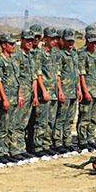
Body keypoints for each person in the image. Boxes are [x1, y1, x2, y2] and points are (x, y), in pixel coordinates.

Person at [0, 32, 23, 163]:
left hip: (14, 97)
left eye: (14, 44)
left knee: (13, 125)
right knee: (4, 126)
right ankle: (1, 152)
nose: (13, 46)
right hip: (6, 97)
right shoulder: (0, 61)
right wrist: (3, 98)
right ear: (4, 45)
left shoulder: (13, 60)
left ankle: (12, 150)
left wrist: (20, 94)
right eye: (11, 44)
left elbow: (17, 79)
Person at [76, 30, 96, 151]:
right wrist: (85, 91)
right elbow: (81, 74)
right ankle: (83, 140)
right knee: (85, 117)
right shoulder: (82, 54)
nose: (93, 45)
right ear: (86, 41)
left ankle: (91, 139)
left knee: (94, 117)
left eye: (95, 42)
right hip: (87, 90)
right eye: (91, 42)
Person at [33, 27, 60, 155]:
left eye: (56, 38)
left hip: (54, 92)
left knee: (51, 121)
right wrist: (43, 90)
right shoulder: (40, 53)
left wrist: (59, 90)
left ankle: (46, 144)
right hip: (45, 92)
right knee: (41, 121)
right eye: (52, 38)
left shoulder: (55, 53)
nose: (55, 41)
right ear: (46, 39)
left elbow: (57, 74)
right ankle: (38, 146)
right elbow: (38, 73)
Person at [54, 29, 81, 152]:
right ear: (63, 40)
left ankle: (67, 141)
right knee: (61, 118)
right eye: (68, 41)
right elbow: (58, 75)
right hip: (65, 91)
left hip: (74, 92)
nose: (70, 43)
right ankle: (58, 142)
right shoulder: (60, 55)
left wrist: (79, 90)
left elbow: (77, 74)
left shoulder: (75, 55)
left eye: (72, 41)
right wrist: (60, 90)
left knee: (70, 118)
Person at [12, 29, 37, 159]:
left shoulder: (30, 56)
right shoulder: (17, 56)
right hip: (22, 95)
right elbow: (16, 77)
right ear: (21, 40)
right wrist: (20, 94)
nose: (29, 43)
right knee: (18, 123)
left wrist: (35, 95)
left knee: (25, 123)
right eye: (27, 40)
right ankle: (16, 149)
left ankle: (22, 148)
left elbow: (33, 78)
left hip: (30, 95)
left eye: (31, 41)